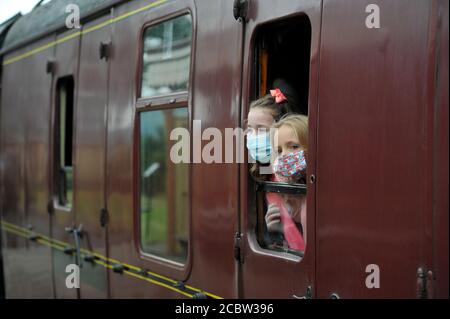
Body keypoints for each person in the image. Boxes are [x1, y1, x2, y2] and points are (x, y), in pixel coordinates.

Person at [265, 114, 308, 252]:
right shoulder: (278, 194)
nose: (284, 155)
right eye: (279, 150)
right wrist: (275, 230)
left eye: (294, 146)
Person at [245, 88, 293, 181]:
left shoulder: (295, 170)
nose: (254, 137)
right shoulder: (261, 171)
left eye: (262, 129)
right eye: (250, 129)